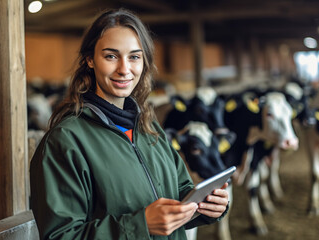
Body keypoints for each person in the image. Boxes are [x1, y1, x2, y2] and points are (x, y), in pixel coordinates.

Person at [30, 8, 229, 240]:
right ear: (90, 60)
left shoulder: (149, 127)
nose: (124, 69)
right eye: (111, 56)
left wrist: (206, 207)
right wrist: (140, 225)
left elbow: (181, 192)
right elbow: (61, 236)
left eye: (134, 57)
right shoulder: (65, 141)